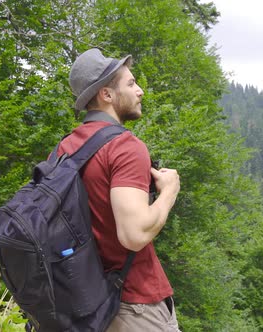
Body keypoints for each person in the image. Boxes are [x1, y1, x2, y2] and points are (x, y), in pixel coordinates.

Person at [64, 48, 181, 331]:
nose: (140, 91)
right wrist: (168, 192)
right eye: (130, 84)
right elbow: (134, 234)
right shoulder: (125, 147)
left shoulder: (66, 148)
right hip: (134, 305)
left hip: (87, 303)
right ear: (106, 94)